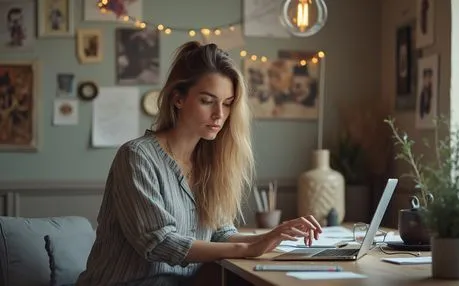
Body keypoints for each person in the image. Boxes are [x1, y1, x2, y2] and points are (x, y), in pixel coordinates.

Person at [76, 41, 322, 286]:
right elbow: (158, 242)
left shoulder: (211, 161)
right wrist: (248, 247)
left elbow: (220, 233)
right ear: (178, 99)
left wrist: (273, 236)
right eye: (207, 101)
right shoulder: (136, 156)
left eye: (227, 103)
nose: (219, 115)